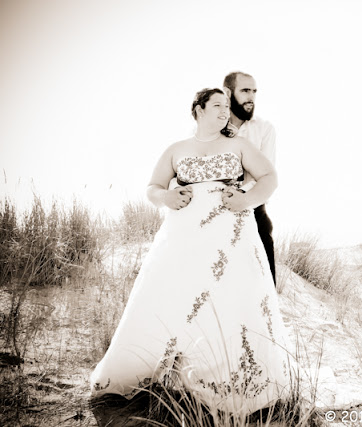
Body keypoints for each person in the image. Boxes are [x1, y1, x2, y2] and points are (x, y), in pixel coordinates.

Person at [89, 88, 291, 416]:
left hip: (232, 237)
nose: (225, 112)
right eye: (217, 106)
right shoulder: (176, 150)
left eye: (227, 106)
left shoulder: (239, 145)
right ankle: (162, 375)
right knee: (175, 295)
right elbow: (152, 187)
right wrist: (166, 198)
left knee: (231, 297)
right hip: (183, 238)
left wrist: (246, 200)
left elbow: (270, 177)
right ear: (198, 109)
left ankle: (233, 385)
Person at [222, 71, 277, 285]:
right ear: (228, 92)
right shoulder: (213, 127)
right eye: (245, 90)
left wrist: (241, 196)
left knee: (263, 281)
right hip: (217, 211)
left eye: (254, 91)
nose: (251, 97)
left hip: (254, 211)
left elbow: (266, 173)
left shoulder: (264, 129)